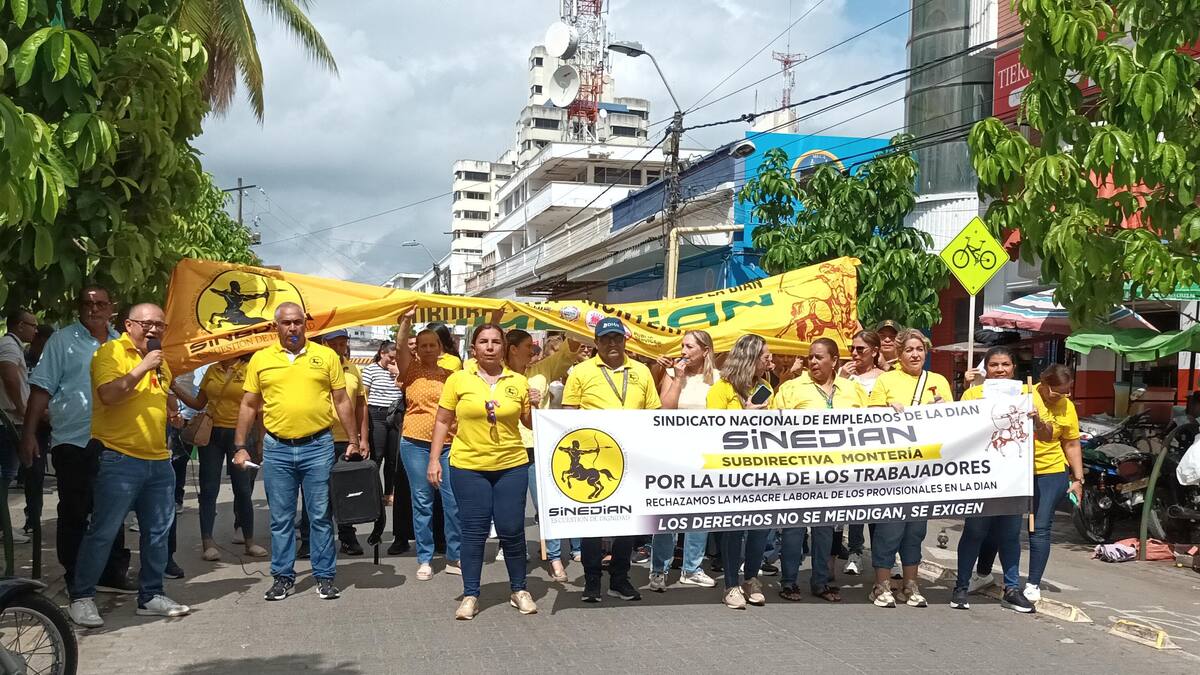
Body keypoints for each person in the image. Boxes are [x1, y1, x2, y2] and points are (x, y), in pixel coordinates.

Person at [232, 303, 365, 602]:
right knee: (281, 519)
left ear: (306, 325)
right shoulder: (261, 359)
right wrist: (240, 446)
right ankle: (282, 577)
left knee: (319, 516)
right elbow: (249, 405)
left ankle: (325, 577)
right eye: (286, 323)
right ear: (275, 326)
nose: (292, 328)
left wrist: (354, 440)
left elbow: (342, 400)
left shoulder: (326, 356)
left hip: (318, 447)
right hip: (277, 449)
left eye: (297, 323)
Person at [68, 303, 190, 627]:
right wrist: (142, 367)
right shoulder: (110, 352)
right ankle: (81, 597)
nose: (154, 330)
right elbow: (109, 394)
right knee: (104, 532)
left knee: (158, 534)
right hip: (118, 457)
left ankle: (150, 596)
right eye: (147, 323)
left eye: (160, 325)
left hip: (159, 461)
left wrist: (175, 418)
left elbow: (160, 405)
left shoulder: (162, 364)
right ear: (128, 324)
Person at [20, 286, 135, 594]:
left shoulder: (122, 343)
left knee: (112, 510)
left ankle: (112, 573)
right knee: (74, 511)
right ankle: (75, 576)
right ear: (78, 308)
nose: (93, 309)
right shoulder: (61, 342)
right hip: (74, 439)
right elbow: (41, 389)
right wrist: (29, 433)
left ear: (112, 307)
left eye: (100, 304)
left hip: (115, 440)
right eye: (87, 303)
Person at [429, 324, 538, 620]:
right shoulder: (457, 380)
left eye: (495, 342)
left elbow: (529, 423)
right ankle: (471, 594)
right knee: (473, 532)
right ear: (473, 348)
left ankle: (519, 590)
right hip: (469, 466)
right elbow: (442, 421)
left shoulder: (518, 380)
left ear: (504, 347)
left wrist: (535, 405)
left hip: (511, 465)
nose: (490, 347)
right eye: (483, 342)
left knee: (511, 529)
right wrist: (434, 459)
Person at [562, 317, 661, 603]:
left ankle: (620, 577)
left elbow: (653, 414)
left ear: (625, 340)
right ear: (596, 343)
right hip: (600, 456)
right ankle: (592, 580)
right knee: (593, 519)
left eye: (617, 338)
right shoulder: (580, 372)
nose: (612, 343)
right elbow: (567, 416)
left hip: (632, 457)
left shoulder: (641, 372)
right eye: (606, 339)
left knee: (628, 521)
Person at [772, 338, 868, 603]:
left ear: (834, 360)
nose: (812, 362)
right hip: (798, 472)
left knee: (825, 529)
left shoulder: (852, 390)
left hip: (835, 474)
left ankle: (821, 581)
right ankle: (789, 581)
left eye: (819, 357)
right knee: (793, 529)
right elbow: (771, 426)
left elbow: (871, 424)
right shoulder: (791, 388)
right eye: (810, 357)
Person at [867, 328, 952, 608]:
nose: (915, 354)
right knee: (890, 528)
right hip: (892, 470)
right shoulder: (886, 381)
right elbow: (867, 423)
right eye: (909, 350)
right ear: (899, 354)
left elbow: (955, 423)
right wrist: (886, 408)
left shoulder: (938, 381)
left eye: (920, 349)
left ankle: (910, 583)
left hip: (924, 470)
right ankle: (881, 584)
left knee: (916, 529)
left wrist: (941, 411)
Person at [951, 346, 1039, 613]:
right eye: (994, 365)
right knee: (975, 531)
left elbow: (1046, 434)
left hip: (1014, 477)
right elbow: (956, 431)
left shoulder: (1028, 393)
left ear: (1014, 368)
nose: (1000, 370)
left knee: (1011, 535)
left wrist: (1038, 419)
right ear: (985, 369)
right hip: (983, 476)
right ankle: (961, 587)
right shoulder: (972, 394)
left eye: (1005, 365)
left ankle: (1012, 589)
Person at [503, 329, 583, 582]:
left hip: (538, 447)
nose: (534, 349)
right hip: (508, 447)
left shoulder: (543, 369)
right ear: (513, 349)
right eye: (528, 345)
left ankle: (556, 557)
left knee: (547, 506)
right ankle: (516, 553)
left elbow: (571, 348)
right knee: (511, 508)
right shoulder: (498, 375)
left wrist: (570, 320)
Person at [172, 356, 267, 561]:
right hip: (212, 434)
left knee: (242, 489)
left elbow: (258, 408)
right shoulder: (212, 370)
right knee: (208, 489)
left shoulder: (249, 369)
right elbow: (199, 403)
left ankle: (249, 541)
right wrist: (174, 387)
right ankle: (208, 542)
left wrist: (259, 441)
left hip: (241, 436)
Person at [648, 330, 719, 592]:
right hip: (672, 452)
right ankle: (659, 569)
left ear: (705, 351)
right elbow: (665, 409)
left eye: (689, 346)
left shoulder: (718, 380)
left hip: (704, 455)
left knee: (700, 514)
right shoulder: (670, 375)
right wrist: (677, 379)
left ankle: (692, 568)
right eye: (682, 346)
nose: (683, 351)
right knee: (667, 513)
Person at [707, 334, 774, 610]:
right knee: (734, 529)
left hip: (761, 468)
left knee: (760, 528)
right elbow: (710, 430)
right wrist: (744, 416)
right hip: (730, 470)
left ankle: (751, 579)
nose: (768, 361)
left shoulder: (766, 387)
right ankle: (731, 585)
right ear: (750, 358)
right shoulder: (720, 390)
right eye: (764, 356)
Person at [395, 312, 461, 580]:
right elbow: (400, 347)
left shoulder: (451, 374)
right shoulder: (410, 370)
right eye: (423, 345)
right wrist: (405, 322)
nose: (428, 349)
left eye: (432, 344)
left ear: (440, 347)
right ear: (417, 349)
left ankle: (454, 555)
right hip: (414, 444)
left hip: (447, 443)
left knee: (452, 502)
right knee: (422, 501)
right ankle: (425, 557)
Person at [296, 330, 370, 557]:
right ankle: (309, 541)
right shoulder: (313, 365)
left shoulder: (352, 368)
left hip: (346, 441)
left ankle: (347, 537)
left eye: (343, 342)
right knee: (315, 493)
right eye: (335, 342)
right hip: (318, 439)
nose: (340, 347)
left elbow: (360, 405)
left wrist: (362, 438)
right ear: (325, 343)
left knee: (347, 491)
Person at [1022, 364, 1084, 604]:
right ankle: (985, 572)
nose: (1063, 396)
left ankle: (1033, 583)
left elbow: (1071, 443)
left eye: (1067, 391)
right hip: (1018, 470)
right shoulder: (1025, 395)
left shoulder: (1067, 407)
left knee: (1040, 526)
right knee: (998, 525)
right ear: (1043, 383)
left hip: (1051, 471)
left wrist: (1078, 478)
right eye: (1058, 392)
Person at [837, 329, 887, 575]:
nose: (855, 354)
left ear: (875, 351)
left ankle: (884, 556)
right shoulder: (844, 377)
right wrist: (841, 378)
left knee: (880, 505)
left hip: (880, 449)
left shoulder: (886, 377)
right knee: (856, 503)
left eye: (861, 349)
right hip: (852, 449)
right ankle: (855, 551)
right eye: (852, 349)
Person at [360, 340, 414, 555]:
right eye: (390, 357)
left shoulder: (400, 370)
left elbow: (404, 390)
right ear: (381, 354)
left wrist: (397, 373)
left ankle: (388, 492)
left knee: (394, 458)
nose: (393, 360)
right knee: (378, 455)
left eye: (395, 358)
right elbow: (363, 394)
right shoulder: (371, 370)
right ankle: (373, 493)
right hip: (376, 414)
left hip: (396, 414)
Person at [1, 309, 38, 543]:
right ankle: (4, 527)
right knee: (6, 476)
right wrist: (20, 407)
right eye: (32, 326)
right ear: (19, 325)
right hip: (7, 421)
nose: (36, 330)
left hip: (11, 419)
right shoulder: (9, 345)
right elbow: (9, 374)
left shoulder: (13, 345)